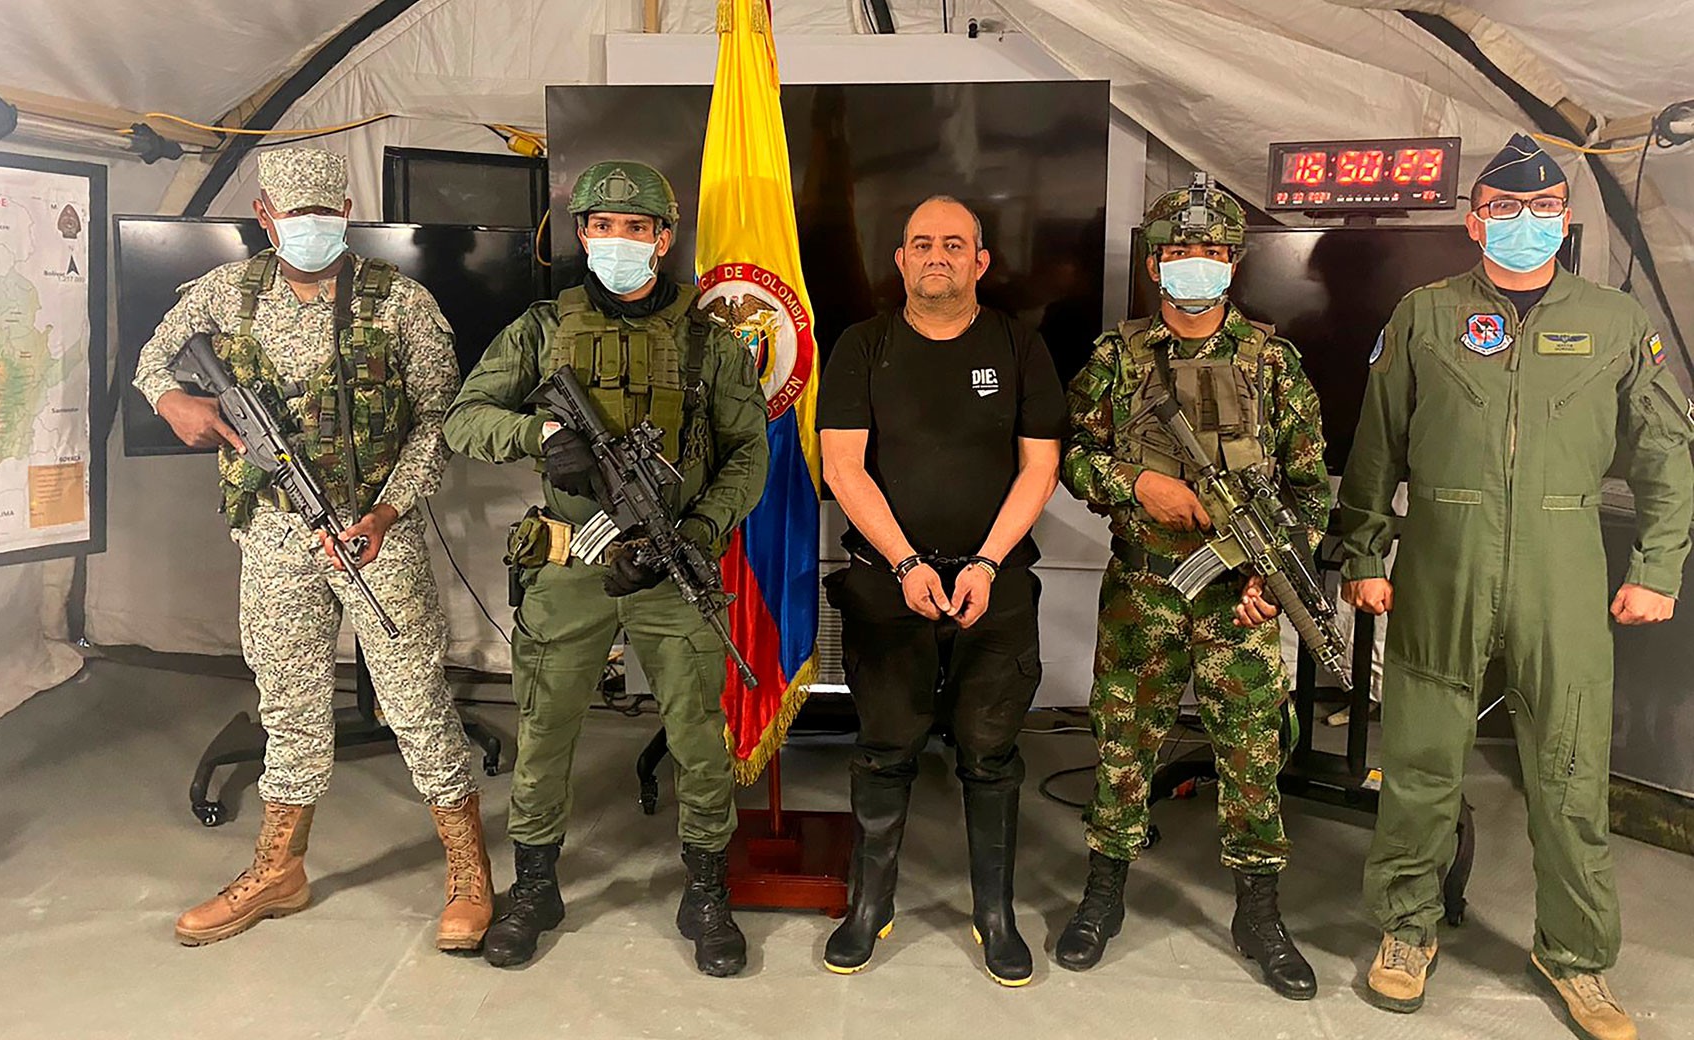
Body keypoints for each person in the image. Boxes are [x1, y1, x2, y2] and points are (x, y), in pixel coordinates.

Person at [1341, 133, 1694, 1040]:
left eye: (1541, 209)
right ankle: (1406, 929)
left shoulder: (1616, 321)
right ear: (1474, 222)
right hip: (1441, 561)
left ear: (1565, 220)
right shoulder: (1424, 315)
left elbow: (1666, 450)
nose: (1523, 222)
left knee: (1571, 776)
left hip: (1562, 564)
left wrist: (1658, 567)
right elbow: (1375, 446)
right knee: (1420, 762)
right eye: (1503, 208)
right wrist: (1363, 551)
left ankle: (1577, 955)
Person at [134, 147, 490, 951]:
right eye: (297, 216)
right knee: (289, 704)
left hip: (376, 533)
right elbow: (154, 359)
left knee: (416, 701)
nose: (312, 229)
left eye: (326, 215)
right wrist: (171, 402)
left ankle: (469, 871)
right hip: (273, 533)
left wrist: (389, 510)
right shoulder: (229, 291)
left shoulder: (401, 303)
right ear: (266, 216)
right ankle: (279, 869)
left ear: (347, 214)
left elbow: (441, 421)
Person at [442, 161, 769, 977]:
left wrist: (698, 530)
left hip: (673, 561)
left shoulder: (709, 340)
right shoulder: (540, 330)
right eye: (602, 226)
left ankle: (706, 887)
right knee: (546, 728)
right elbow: (464, 419)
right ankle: (536, 885)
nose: (617, 241)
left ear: (664, 237)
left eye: (636, 227)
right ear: (581, 234)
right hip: (570, 563)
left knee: (698, 734)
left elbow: (748, 454)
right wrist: (541, 437)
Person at [1056, 175, 1329, 999]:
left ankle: (1259, 913)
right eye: (1179, 251)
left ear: (1233, 263)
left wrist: (1273, 579)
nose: (1194, 264)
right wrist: (1136, 483)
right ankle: (1103, 893)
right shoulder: (1115, 360)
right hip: (1143, 589)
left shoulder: (1273, 364)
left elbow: (1309, 490)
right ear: (1154, 264)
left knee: (1250, 751)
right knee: (1123, 742)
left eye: (1210, 251)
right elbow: (1072, 457)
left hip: (1238, 597)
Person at [818, 195, 1064, 987]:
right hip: (888, 582)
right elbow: (842, 466)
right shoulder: (862, 346)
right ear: (901, 260)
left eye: (954, 244)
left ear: (980, 262)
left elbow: (1041, 467)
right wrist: (905, 564)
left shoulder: (1020, 346)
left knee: (991, 753)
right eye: (921, 243)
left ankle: (996, 913)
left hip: (996, 583)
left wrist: (985, 563)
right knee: (884, 746)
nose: (937, 256)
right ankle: (869, 906)